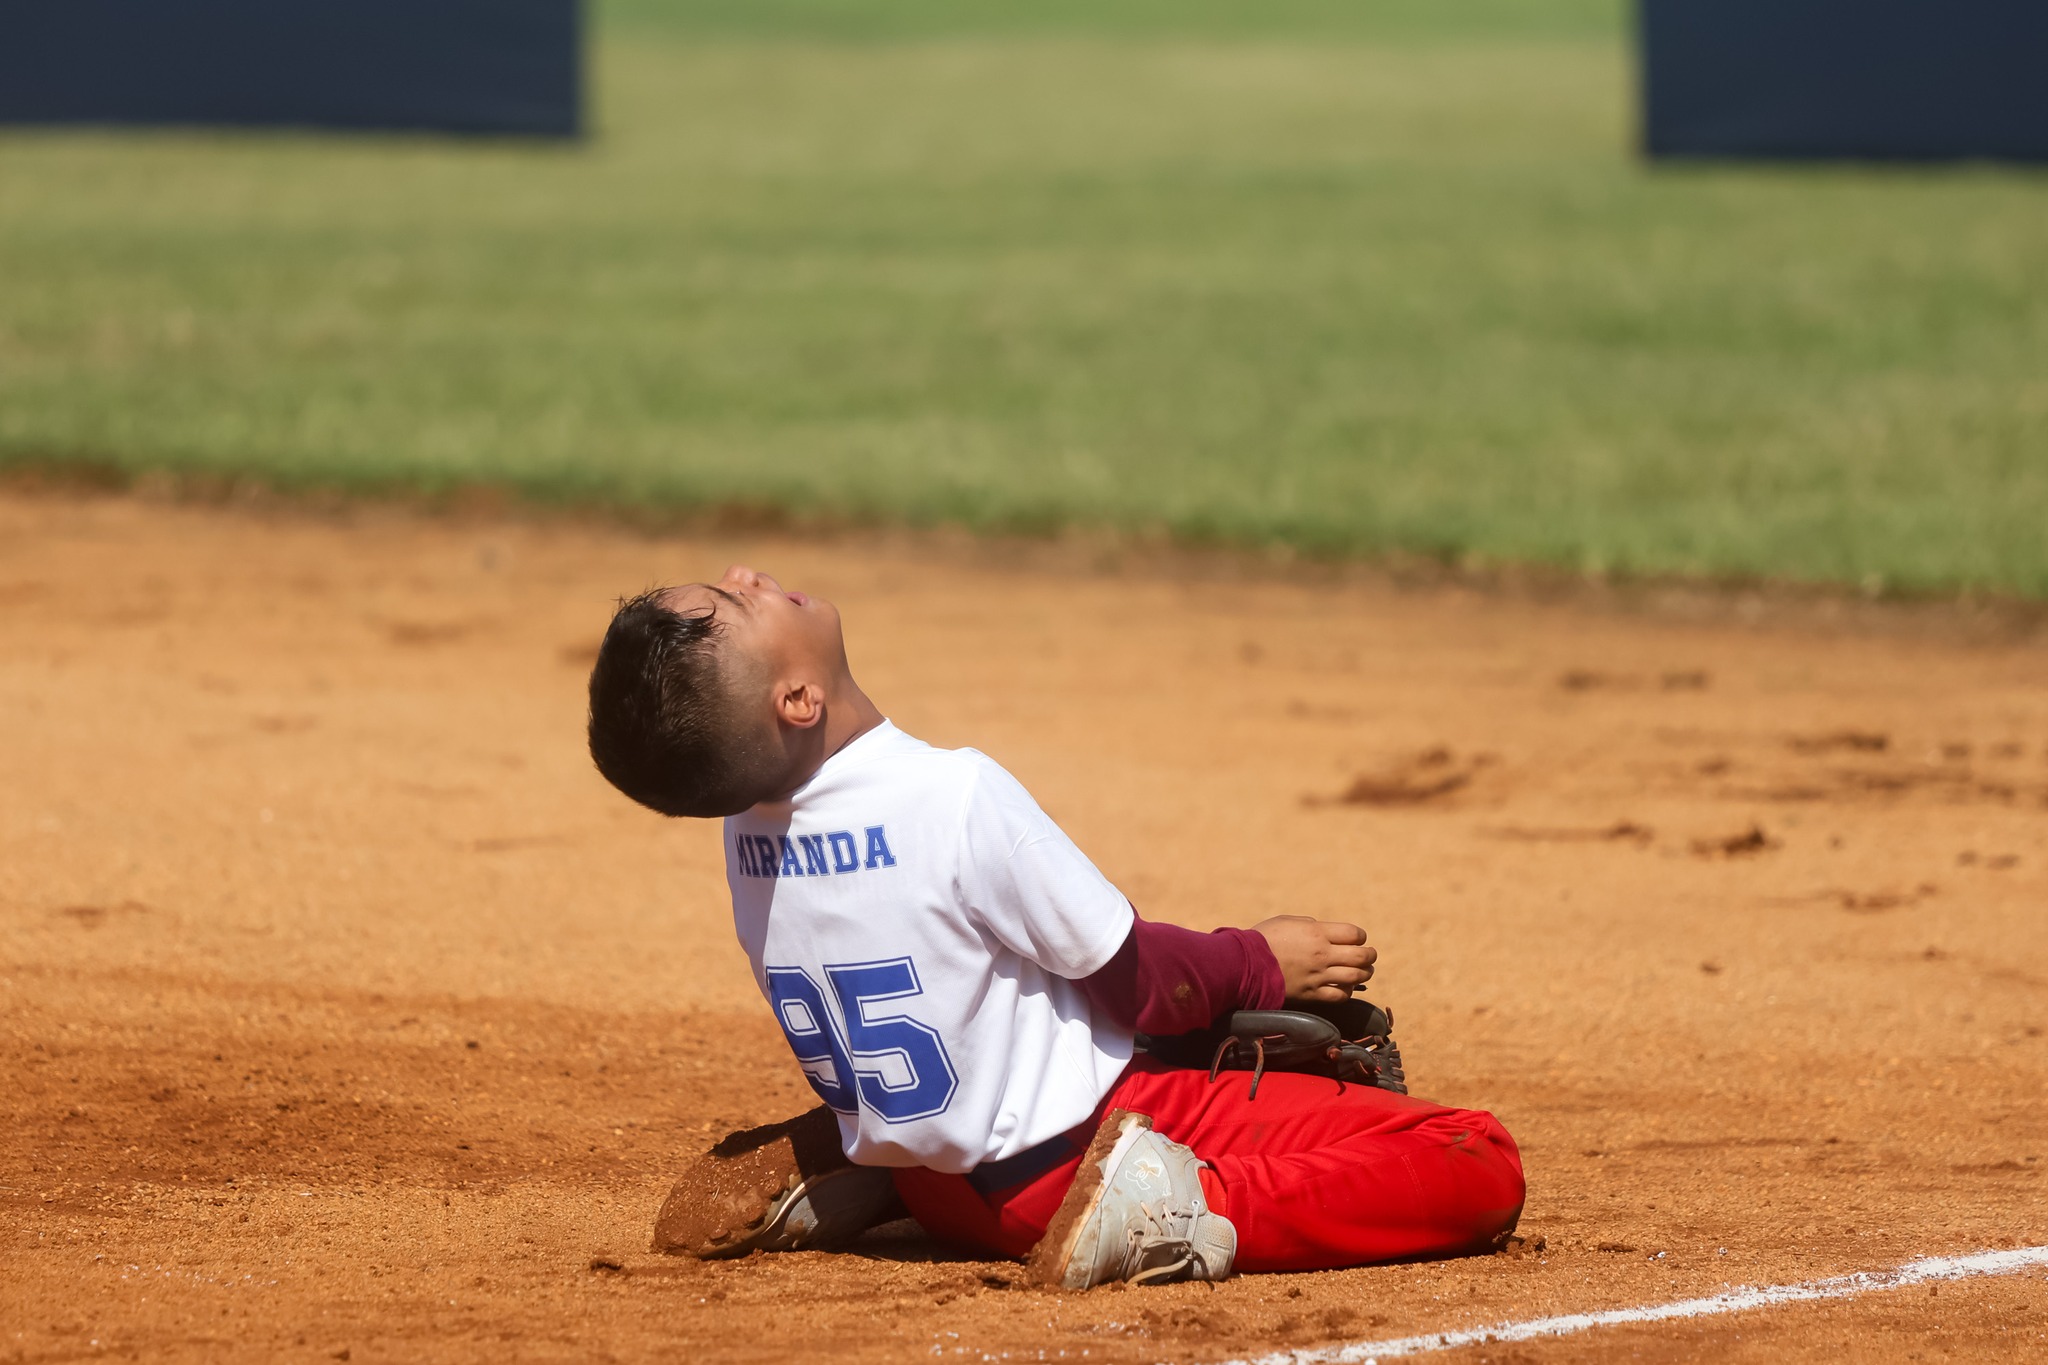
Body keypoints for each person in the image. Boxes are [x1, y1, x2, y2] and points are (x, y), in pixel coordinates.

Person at [585, 565, 1525, 1287]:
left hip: (939, 1189)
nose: (750, 575)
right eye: (738, 600)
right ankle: (1174, 1206)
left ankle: (861, 1152)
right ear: (798, 701)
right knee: (1472, 1159)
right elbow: (1140, 981)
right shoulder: (950, 794)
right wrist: (1260, 960)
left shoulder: (744, 829)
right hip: (1061, 1171)